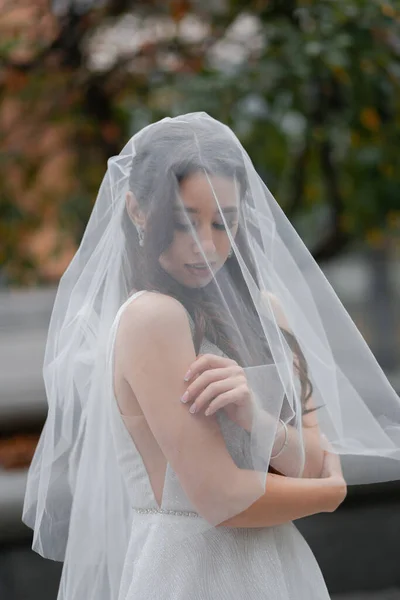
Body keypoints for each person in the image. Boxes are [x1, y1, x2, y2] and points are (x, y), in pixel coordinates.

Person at [23, 113, 400, 600]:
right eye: (184, 223)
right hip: (191, 574)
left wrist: (257, 419)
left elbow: (312, 459)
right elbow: (221, 498)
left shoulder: (268, 312)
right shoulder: (151, 318)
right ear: (138, 211)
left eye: (224, 222)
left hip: (281, 568)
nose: (206, 244)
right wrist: (331, 494)